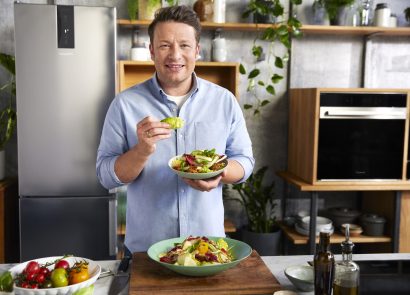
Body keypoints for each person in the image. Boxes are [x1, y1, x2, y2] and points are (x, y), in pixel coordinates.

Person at [96, 5, 254, 253]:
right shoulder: (125, 104)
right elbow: (105, 176)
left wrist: (218, 173)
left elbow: (245, 162)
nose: (175, 55)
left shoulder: (224, 101)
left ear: (198, 50)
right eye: (165, 45)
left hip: (207, 249)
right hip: (147, 252)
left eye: (184, 45)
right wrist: (141, 151)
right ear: (151, 51)